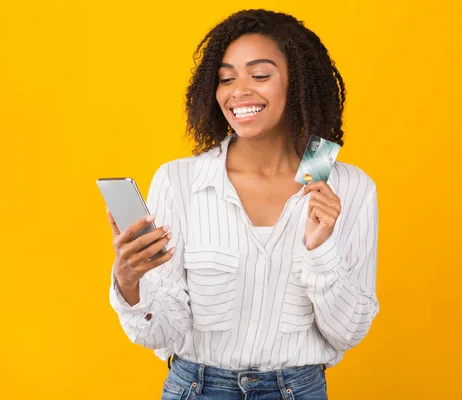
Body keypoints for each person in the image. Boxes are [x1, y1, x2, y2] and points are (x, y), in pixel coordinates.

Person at [106, 9, 379, 400]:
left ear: (298, 82)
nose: (238, 91)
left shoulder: (348, 188)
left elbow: (348, 332)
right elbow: (164, 332)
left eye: (261, 75)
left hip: (297, 390)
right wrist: (130, 284)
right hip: (197, 388)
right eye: (226, 78)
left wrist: (321, 250)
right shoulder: (179, 181)